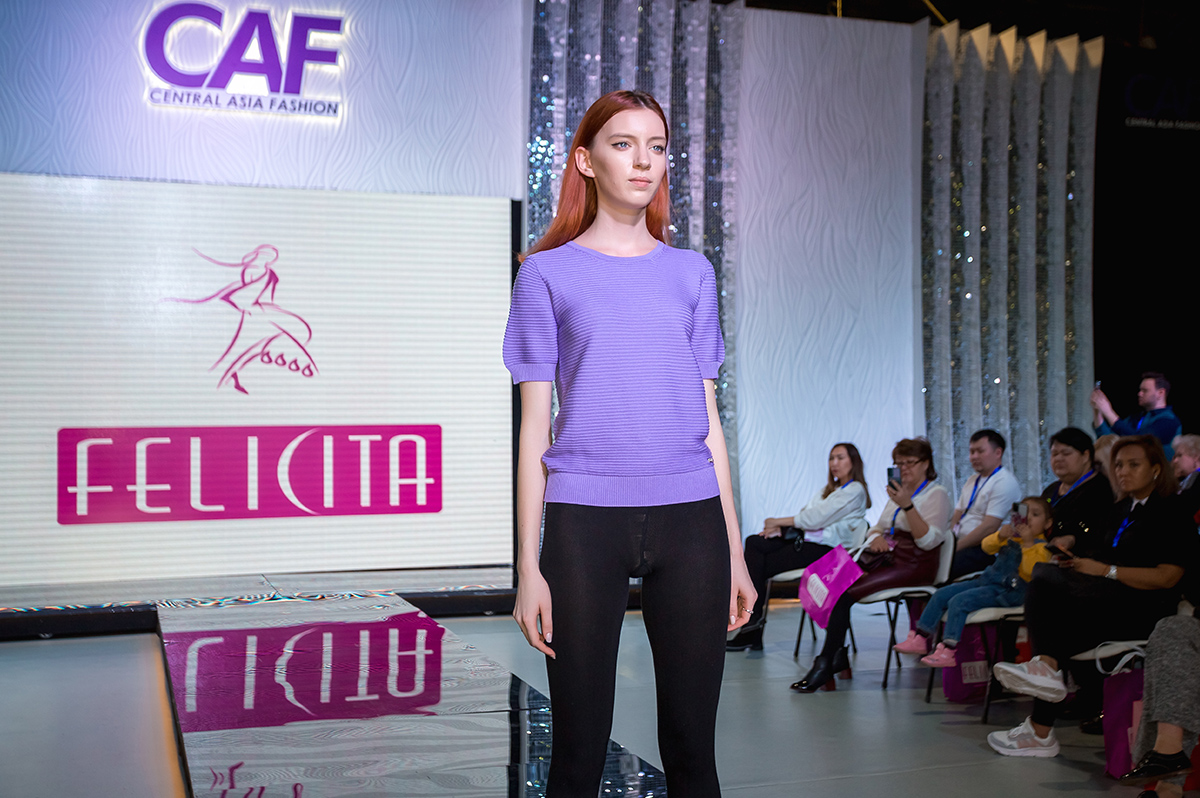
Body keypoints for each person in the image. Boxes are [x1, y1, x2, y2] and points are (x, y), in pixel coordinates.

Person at [503, 89, 754, 798]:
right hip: (584, 527)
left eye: (656, 146)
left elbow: (709, 422)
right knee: (577, 756)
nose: (643, 161)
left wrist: (734, 549)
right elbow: (534, 429)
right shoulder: (545, 274)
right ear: (586, 160)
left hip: (693, 523)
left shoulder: (692, 273)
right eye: (623, 144)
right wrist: (528, 566)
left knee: (694, 754)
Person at [987, 435, 1192, 758]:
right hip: (1108, 600)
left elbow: (1168, 577)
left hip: (1147, 608)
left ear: (1155, 469)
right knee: (1049, 589)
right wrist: (1079, 560)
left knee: (1046, 582)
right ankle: (1043, 692)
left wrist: (1105, 570)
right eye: (1119, 465)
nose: (1123, 471)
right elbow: (1103, 553)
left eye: (1133, 465)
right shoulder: (1121, 509)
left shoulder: (1172, 509)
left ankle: (1041, 712)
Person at [790, 437, 952, 693]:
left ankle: (826, 662)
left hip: (915, 564)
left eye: (909, 463)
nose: (904, 468)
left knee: (844, 592)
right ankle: (836, 657)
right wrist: (876, 536)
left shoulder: (937, 494)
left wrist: (908, 506)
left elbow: (929, 541)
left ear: (926, 464)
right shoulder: (898, 492)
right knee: (829, 579)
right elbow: (877, 526)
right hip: (888, 557)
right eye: (899, 463)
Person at [726, 443, 871, 652]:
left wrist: (777, 522)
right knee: (754, 543)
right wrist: (781, 529)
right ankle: (752, 627)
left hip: (829, 551)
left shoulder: (855, 490)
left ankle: (752, 629)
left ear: (854, 462)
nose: (834, 463)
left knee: (757, 565)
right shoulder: (827, 491)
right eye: (831, 458)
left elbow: (814, 518)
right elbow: (807, 517)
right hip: (808, 542)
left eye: (840, 458)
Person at [894, 496, 1052, 666]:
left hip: (1010, 591)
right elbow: (987, 547)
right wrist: (999, 536)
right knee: (941, 594)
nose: (1028, 518)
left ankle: (949, 649)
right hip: (988, 580)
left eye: (1035, 514)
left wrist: (1027, 544)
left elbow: (1031, 570)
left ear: (1048, 523)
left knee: (960, 601)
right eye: (1025, 513)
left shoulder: (1042, 547)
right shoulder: (1011, 538)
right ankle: (921, 637)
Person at [948, 429, 1023, 579]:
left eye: (980, 451)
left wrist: (953, 549)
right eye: (972, 452)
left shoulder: (1004, 482)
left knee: (939, 567)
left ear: (998, 453)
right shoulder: (972, 480)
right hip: (961, 544)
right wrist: (947, 542)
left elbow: (989, 527)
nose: (974, 457)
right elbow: (958, 513)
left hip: (986, 549)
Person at [1039, 427, 1115, 558]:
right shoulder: (1051, 489)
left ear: (1085, 456)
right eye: (1054, 454)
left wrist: (1073, 539)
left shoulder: (1101, 490)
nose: (1058, 458)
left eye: (1066, 453)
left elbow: (1098, 534)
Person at [1092, 373, 1183, 458]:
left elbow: (1140, 440)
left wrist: (1108, 412)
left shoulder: (1169, 420)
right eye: (1140, 390)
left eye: (1145, 390)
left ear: (1160, 393)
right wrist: (1098, 411)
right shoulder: (1136, 418)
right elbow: (1109, 439)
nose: (1139, 394)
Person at [1171, 433, 1200, 523]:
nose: (1175, 461)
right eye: (1174, 457)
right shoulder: (1182, 482)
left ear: (1196, 457)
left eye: (1179, 455)